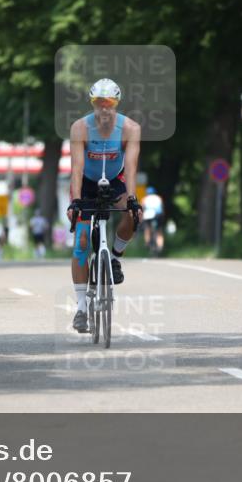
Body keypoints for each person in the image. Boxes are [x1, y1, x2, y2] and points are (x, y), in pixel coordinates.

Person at [66, 78, 143, 333]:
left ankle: (113, 256)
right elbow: (76, 169)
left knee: (132, 215)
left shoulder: (130, 128)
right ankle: (80, 308)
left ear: (116, 104)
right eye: (98, 103)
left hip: (117, 180)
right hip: (86, 183)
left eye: (109, 103)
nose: (104, 109)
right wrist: (76, 202)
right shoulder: (80, 128)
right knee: (82, 241)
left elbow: (131, 169)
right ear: (93, 104)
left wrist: (132, 200)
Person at [141, 187, 165, 255]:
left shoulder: (144, 199)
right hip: (158, 215)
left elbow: (142, 209)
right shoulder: (159, 198)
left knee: (147, 229)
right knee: (159, 231)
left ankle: (147, 242)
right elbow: (162, 208)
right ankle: (160, 246)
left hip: (148, 216)